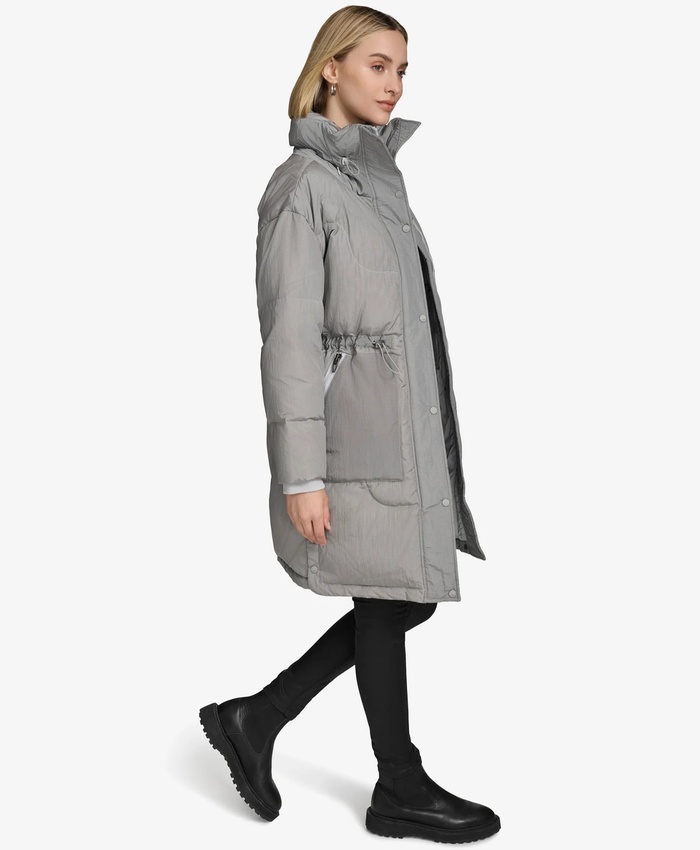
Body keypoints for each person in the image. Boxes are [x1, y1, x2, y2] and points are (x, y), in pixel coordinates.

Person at [199, 5, 500, 843]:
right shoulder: (302, 185)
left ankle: (259, 716)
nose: (394, 84)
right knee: (389, 599)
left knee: (406, 599)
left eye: (403, 70)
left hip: (398, 431)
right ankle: (397, 782)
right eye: (378, 64)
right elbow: (290, 339)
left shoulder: (377, 180)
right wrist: (302, 472)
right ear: (330, 67)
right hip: (351, 441)